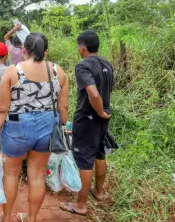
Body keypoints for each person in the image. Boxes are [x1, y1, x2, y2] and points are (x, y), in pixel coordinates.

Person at [0, 33, 69, 222]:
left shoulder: (12, 71)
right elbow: (63, 108)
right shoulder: (59, 72)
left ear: (24, 50)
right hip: (48, 127)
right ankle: (31, 219)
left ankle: (6, 218)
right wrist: (62, 128)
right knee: (37, 176)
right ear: (46, 51)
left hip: (17, 127)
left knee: (11, 174)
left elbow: (1, 110)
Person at [59, 30, 114, 216]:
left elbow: (93, 93)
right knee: (99, 154)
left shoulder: (83, 66)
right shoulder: (107, 64)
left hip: (88, 119)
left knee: (84, 161)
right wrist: (103, 113)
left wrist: (97, 110)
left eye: (78, 47)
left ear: (82, 48)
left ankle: (80, 204)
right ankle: (98, 191)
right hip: (103, 119)